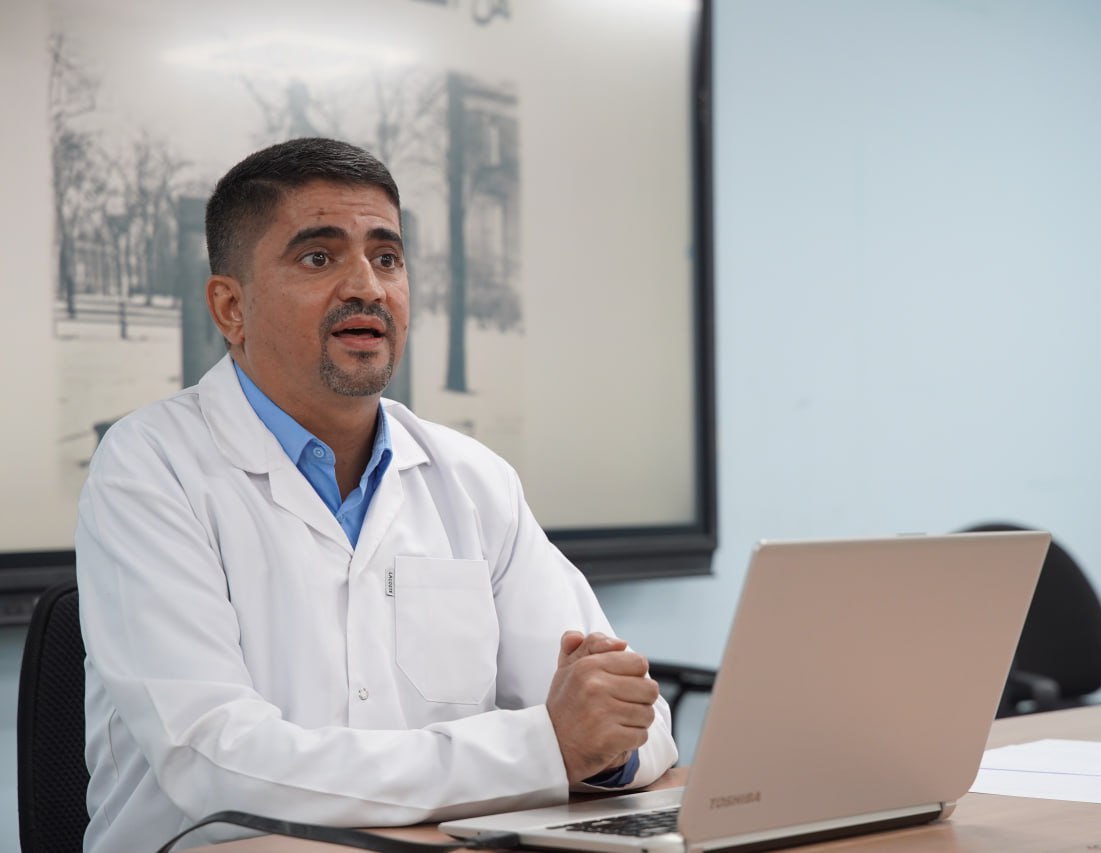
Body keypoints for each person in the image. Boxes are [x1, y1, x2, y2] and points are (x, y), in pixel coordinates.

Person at [75, 137, 678, 853]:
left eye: (387, 257)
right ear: (231, 307)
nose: (367, 286)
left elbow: (633, 720)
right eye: (318, 257)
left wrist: (601, 748)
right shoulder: (149, 468)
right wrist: (543, 748)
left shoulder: (473, 478)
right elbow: (218, 763)